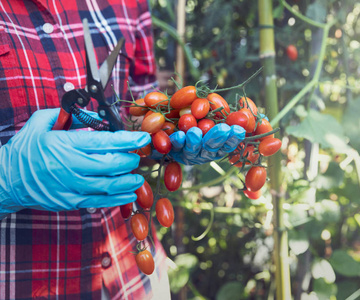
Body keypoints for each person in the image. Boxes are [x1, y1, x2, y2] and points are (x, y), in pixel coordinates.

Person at [0, 1, 244, 299]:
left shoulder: (129, 4)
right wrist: (7, 180)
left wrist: (166, 138)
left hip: (134, 277)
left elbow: (143, 113)